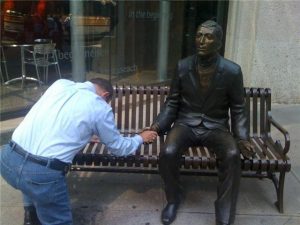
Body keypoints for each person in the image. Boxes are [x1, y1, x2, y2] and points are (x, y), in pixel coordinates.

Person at [0, 78, 158, 225]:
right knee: (57, 219)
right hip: (41, 176)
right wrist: (140, 138)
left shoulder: (59, 84)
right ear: (106, 95)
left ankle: (30, 218)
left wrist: (85, 133)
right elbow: (119, 148)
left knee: (29, 179)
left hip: (7, 160)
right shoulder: (100, 106)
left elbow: (56, 121)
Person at [150, 20, 255, 225]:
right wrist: (157, 126)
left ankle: (224, 207)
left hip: (216, 126)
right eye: (199, 35)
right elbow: (172, 103)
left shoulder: (232, 71)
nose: (202, 40)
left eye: (208, 37)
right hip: (185, 124)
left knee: (232, 155)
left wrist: (242, 138)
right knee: (168, 152)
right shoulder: (183, 66)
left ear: (219, 42)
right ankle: (173, 199)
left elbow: (238, 108)